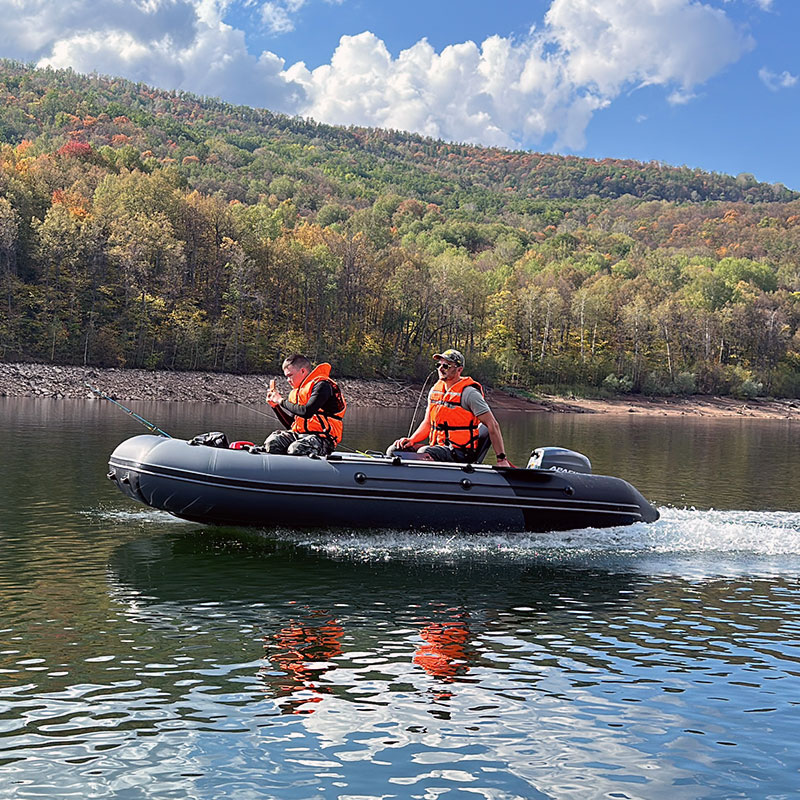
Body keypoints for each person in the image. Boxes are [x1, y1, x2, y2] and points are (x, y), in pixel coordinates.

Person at [388, 348, 511, 466]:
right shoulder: (435, 391)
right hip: (438, 449)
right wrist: (412, 440)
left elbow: (492, 424)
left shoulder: (469, 394)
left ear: (459, 369)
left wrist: (501, 459)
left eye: (446, 366)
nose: (441, 368)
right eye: (439, 365)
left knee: (424, 453)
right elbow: (428, 423)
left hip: (461, 452)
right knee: (395, 450)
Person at [264, 354, 347, 456]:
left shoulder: (322, 385)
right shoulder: (297, 393)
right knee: (272, 443)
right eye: (286, 377)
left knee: (297, 449)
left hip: (323, 439)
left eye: (290, 376)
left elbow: (307, 412)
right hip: (299, 436)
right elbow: (291, 425)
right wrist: (275, 406)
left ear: (303, 371)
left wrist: (280, 401)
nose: (288, 380)